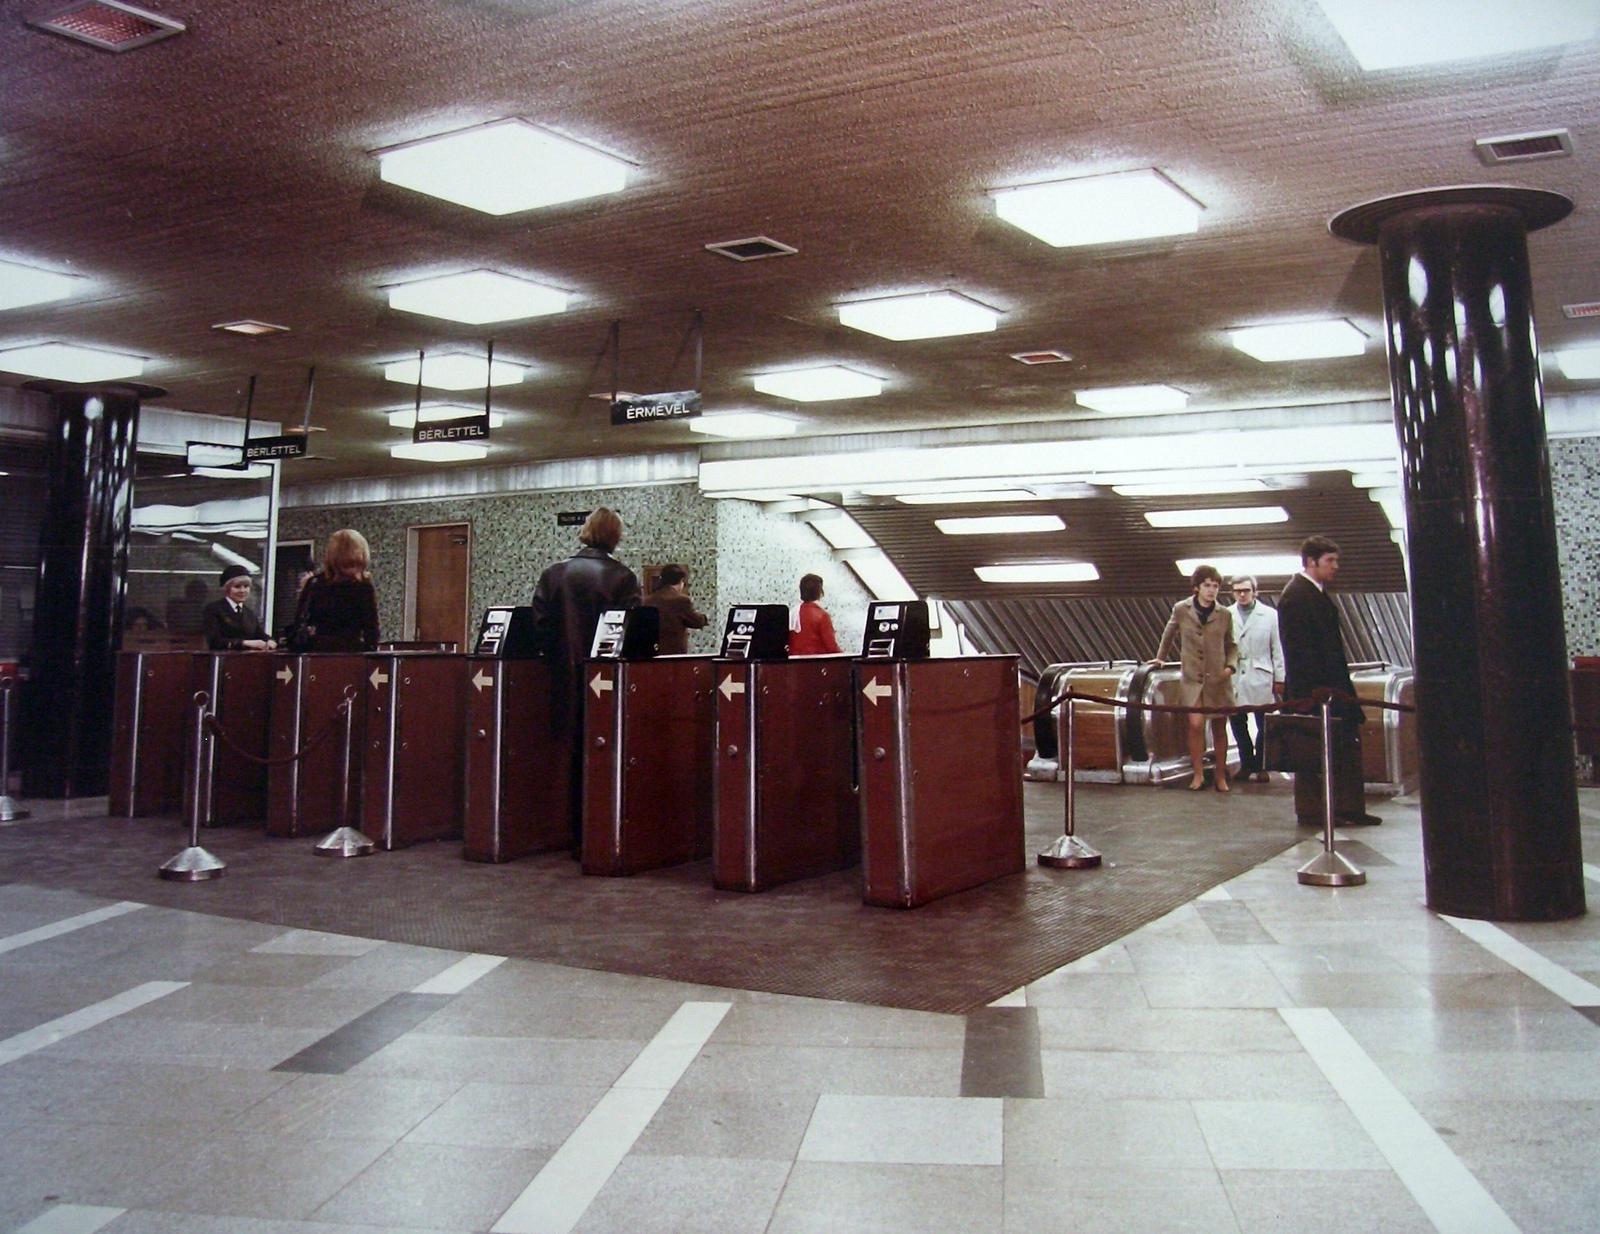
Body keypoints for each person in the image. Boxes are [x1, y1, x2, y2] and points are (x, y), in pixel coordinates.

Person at [530, 507, 641, 847]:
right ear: (615, 536)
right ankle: (598, 835)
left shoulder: (554, 573)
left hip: (563, 678)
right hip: (605, 683)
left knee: (573, 754)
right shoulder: (622, 578)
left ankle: (572, 834)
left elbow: (540, 626)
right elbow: (632, 632)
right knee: (604, 754)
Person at [1277, 534, 1381, 826]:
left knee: (1340, 747)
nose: (1336, 566)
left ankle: (1346, 808)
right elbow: (1300, 652)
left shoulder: (1312, 593)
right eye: (1330, 560)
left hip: (1329, 689)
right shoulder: (1297, 596)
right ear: (1311, 562)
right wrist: (1314, 694)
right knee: (1313, 752)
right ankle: (1316, 811)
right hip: (1315, 690)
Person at [1152, 564, 1238, 792]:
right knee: (1195, 724)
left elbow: (1231, 645)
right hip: (1192, 678)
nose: (1212, 590)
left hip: (1218, 678)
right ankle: (1198, 774)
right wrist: (1160, 658)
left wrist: (1230, 667)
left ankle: (1220, 776)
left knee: (1219, 726)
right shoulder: (1182, 609)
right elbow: (1169, 633)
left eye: (1215, 586)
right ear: (1197, 587)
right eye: (1207, 585)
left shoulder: (1225, 614)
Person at [1228, 575, 1284, 783]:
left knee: (1264, 722)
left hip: (1261, 673)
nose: (1242, 594)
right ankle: (1246, 763)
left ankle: (1261, 765)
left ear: (1255, 592)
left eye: (1246, 590)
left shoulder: (1270, 615)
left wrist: (1280, 678)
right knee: (1237, 721)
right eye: (1237, 591)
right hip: (1235, 675)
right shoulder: (1226, 615)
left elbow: (1277, 649)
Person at [290, 529, 380, 653]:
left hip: (317, 654)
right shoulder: (362, 588)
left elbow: (299, 623)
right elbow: (372, 631)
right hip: (352, 655)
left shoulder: (315, 583)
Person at [201, 565, 275, 651]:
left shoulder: (249, 613)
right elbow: (214, 641)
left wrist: (270, 641)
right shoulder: (214, 609)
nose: (242, 591)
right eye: (237, 587)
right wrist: (244, 643)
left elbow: (260, 634)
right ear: (227, 589)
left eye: (246, 586)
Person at [641, 564, 707, 655]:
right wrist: (704, 618)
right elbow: (697, 621)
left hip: (652, 653)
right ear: (681, 581)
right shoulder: (681, 601)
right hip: (674, 654)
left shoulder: (647, 600)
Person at [789, 573, 841, 655]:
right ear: (819, 592)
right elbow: (831, 647)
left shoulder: (792, 613)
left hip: (794, 664)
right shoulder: (822, 616)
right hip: (817, 664)